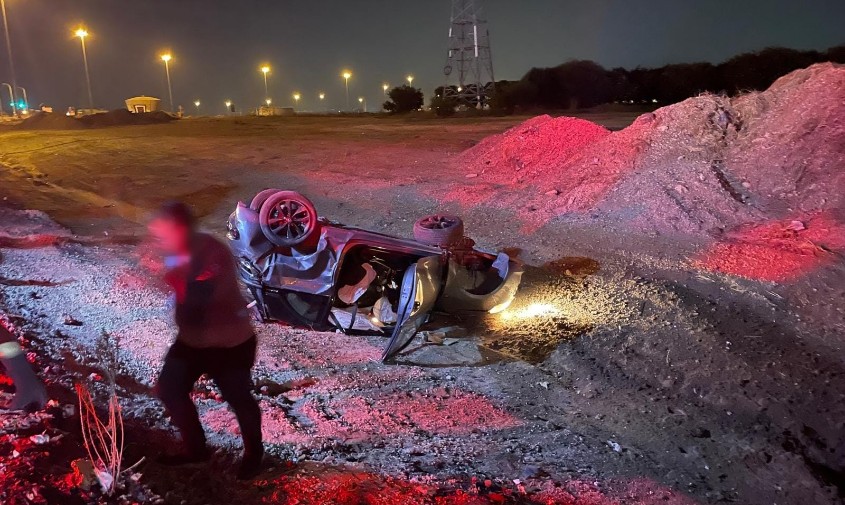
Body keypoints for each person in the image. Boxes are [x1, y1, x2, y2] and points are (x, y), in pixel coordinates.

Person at [148, 202, 263, 480]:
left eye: (164, 234)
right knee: (170, 388)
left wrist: (174, 278)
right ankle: (196, 450)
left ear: (181, 229)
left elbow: (200, 295)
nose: (160, 240)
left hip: (229, 344)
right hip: (193, 342)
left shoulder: (212, 252)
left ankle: (254, 455)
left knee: (238, 398)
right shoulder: (177, 253)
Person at [0, 324, 48, 412]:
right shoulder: (26, 395)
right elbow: (13, 408)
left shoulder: (41, 396)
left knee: (5, 336)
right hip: (10, 355)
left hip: (16, 353)